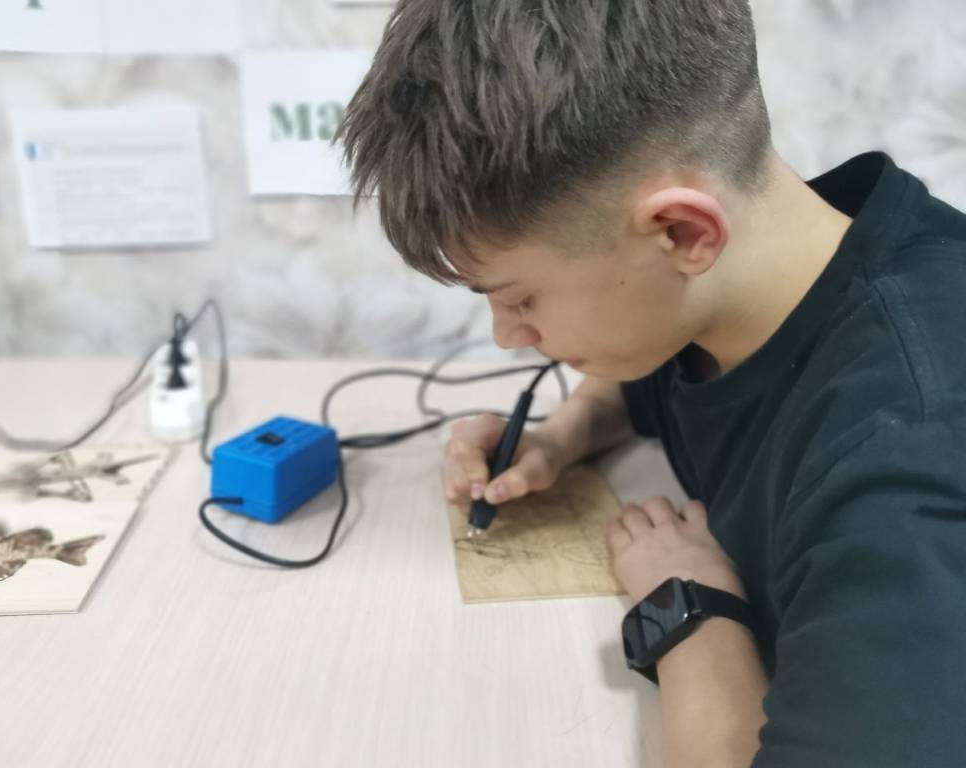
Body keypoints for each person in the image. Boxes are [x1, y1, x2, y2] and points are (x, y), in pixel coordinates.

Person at [338, 2, 966, 766]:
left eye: (520, 298)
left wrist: (687, 602)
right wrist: (561, 436)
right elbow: (664, 380)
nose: (507, 335)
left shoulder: (905, 469)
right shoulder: (766, 265)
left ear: (682, 232)